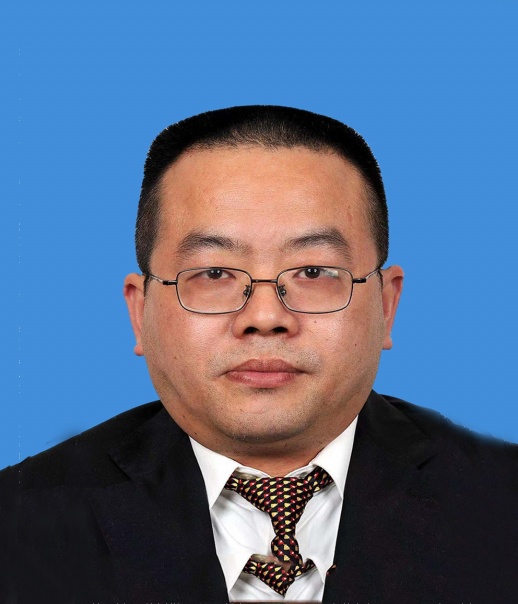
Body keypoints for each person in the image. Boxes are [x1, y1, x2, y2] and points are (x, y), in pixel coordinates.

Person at [1, 106, 517, 604]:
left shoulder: (501, 502)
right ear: (140, 312)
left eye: (313, 272)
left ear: (386, 305)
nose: (266, 316)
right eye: (214, 273)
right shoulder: (17, 523)